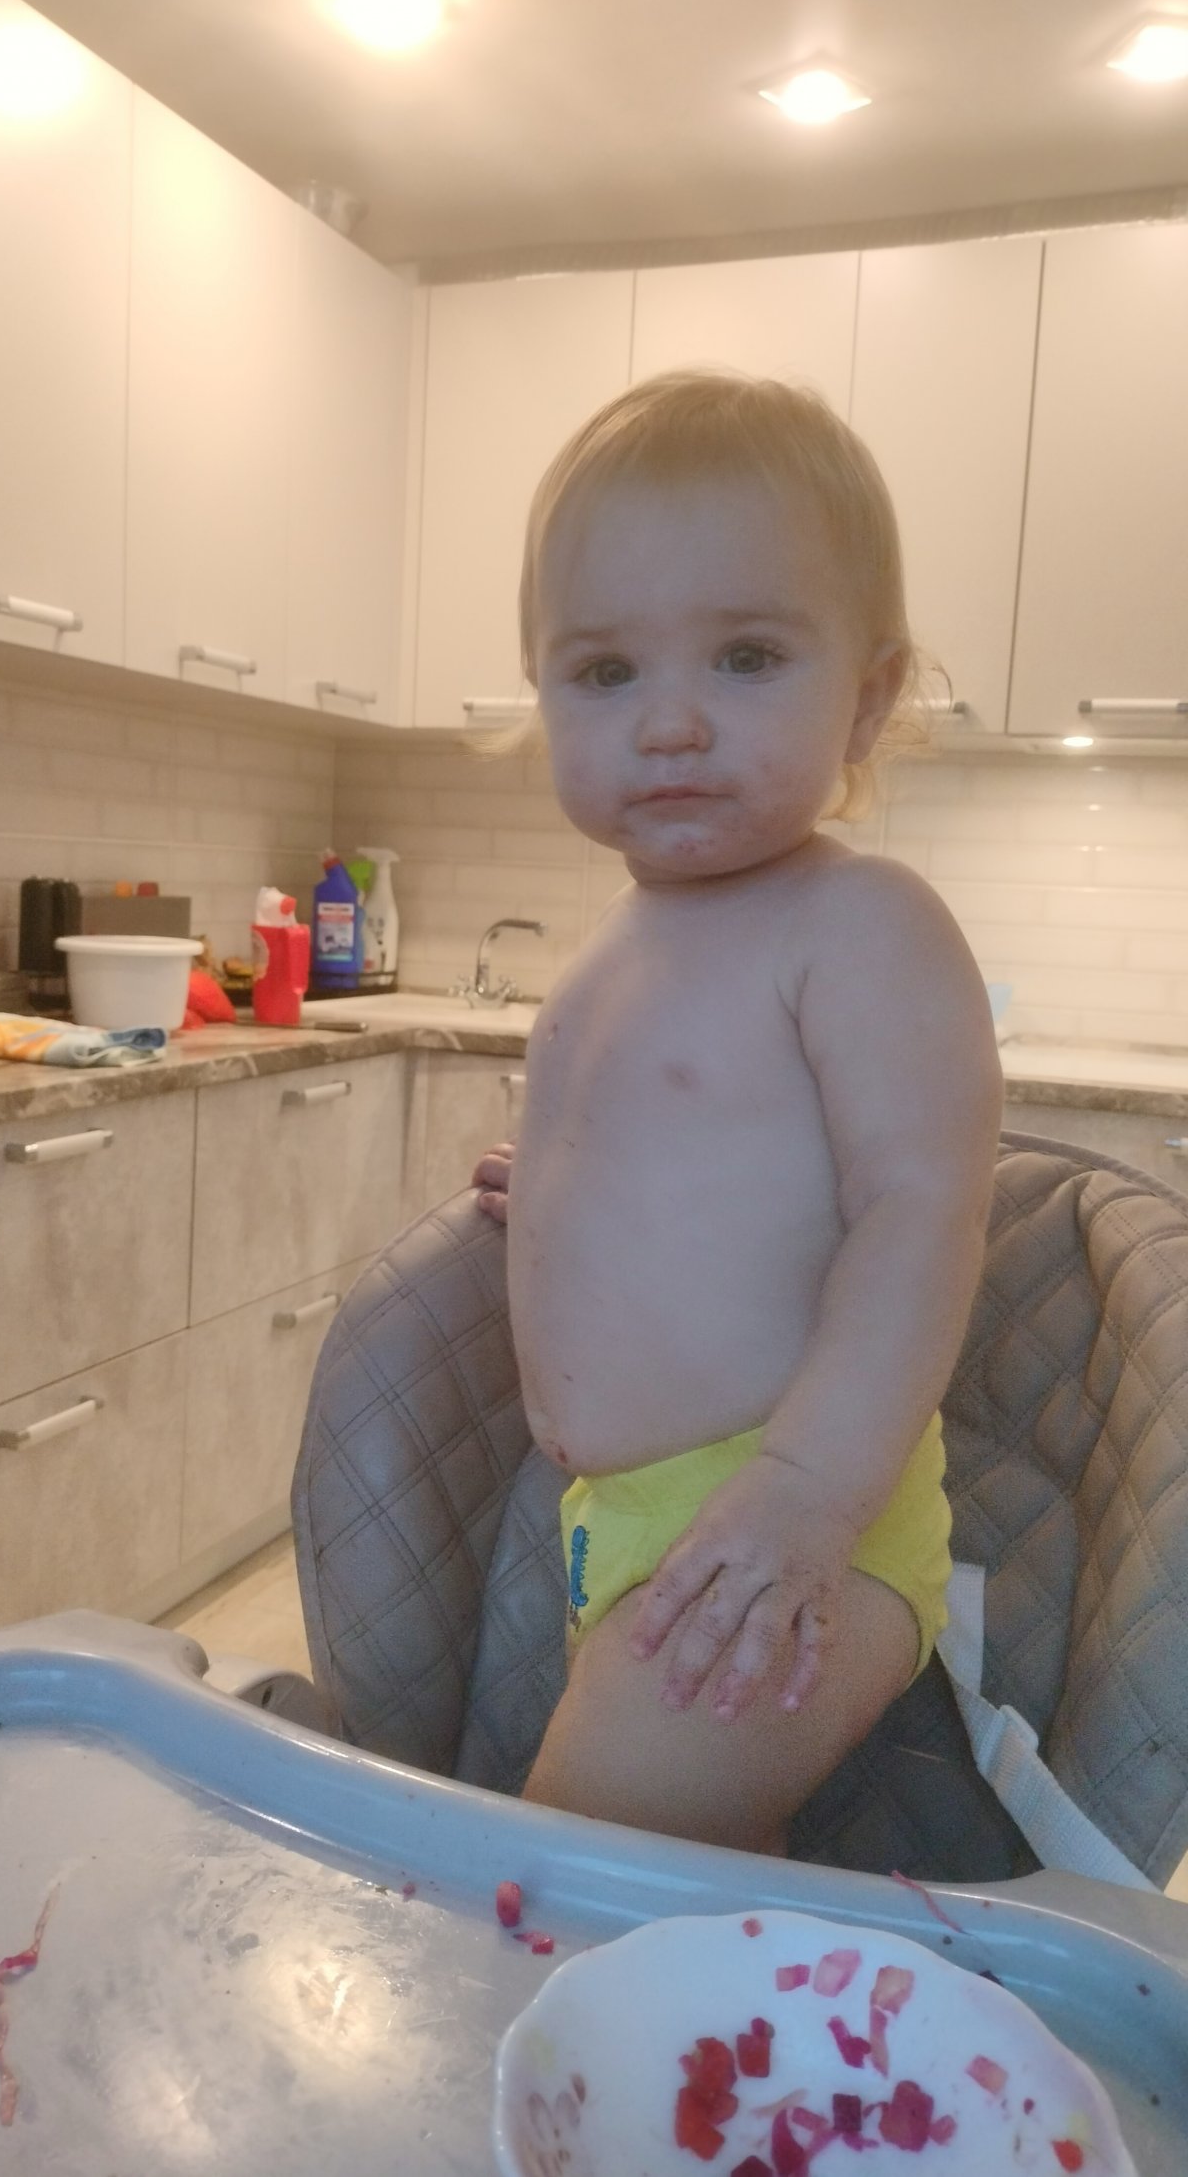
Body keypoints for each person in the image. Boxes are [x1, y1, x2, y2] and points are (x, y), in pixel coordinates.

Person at [470, 369, 1003, 1855]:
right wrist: (565, 1195)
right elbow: (704, 1163)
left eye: (749, 657)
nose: (671, 724)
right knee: (671, 1886)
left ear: (869, 697)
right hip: (622, 1518)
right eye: (604, 672)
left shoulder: (860, 924)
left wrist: (804, 1497)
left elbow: (922, 1214)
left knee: (578, 1863)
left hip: (793, 1509)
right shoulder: (617, 944)